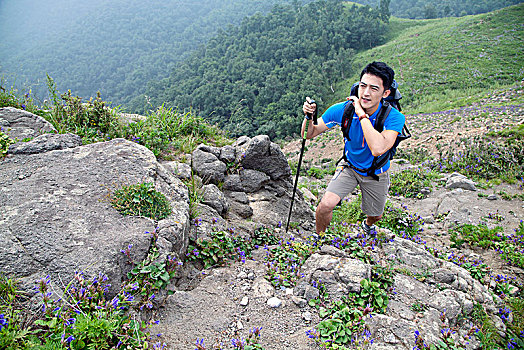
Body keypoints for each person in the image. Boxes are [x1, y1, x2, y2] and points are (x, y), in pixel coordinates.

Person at [301, 61, 405, 235]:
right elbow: (308, 134)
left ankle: (368, 225)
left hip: (376, 172)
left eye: (374, 88)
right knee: (325, 206)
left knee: (375, 215)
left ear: (385, 93)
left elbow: (378, 148)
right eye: (363, 86)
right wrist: (309, 117)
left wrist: (361, 113)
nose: (365, 93)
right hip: (350, 166)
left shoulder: (394, 117)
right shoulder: (343, 110)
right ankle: (319, 239)